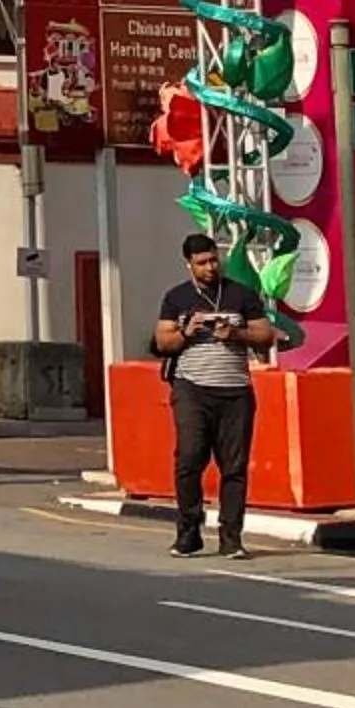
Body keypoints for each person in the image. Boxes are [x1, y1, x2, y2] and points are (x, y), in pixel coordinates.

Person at [153, 231, 275, 558]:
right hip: (192, 389)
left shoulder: (241, 295)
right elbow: (162, 342)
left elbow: (266, 335)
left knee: (233, 467)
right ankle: (189, 533)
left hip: (235, 392)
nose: (210, 267)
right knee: (190, 459)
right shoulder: (176, 297)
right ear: (188, 265)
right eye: (201, 263)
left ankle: (231, 538)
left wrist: (236, 332)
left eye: (213, 259)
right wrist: (186, 333)